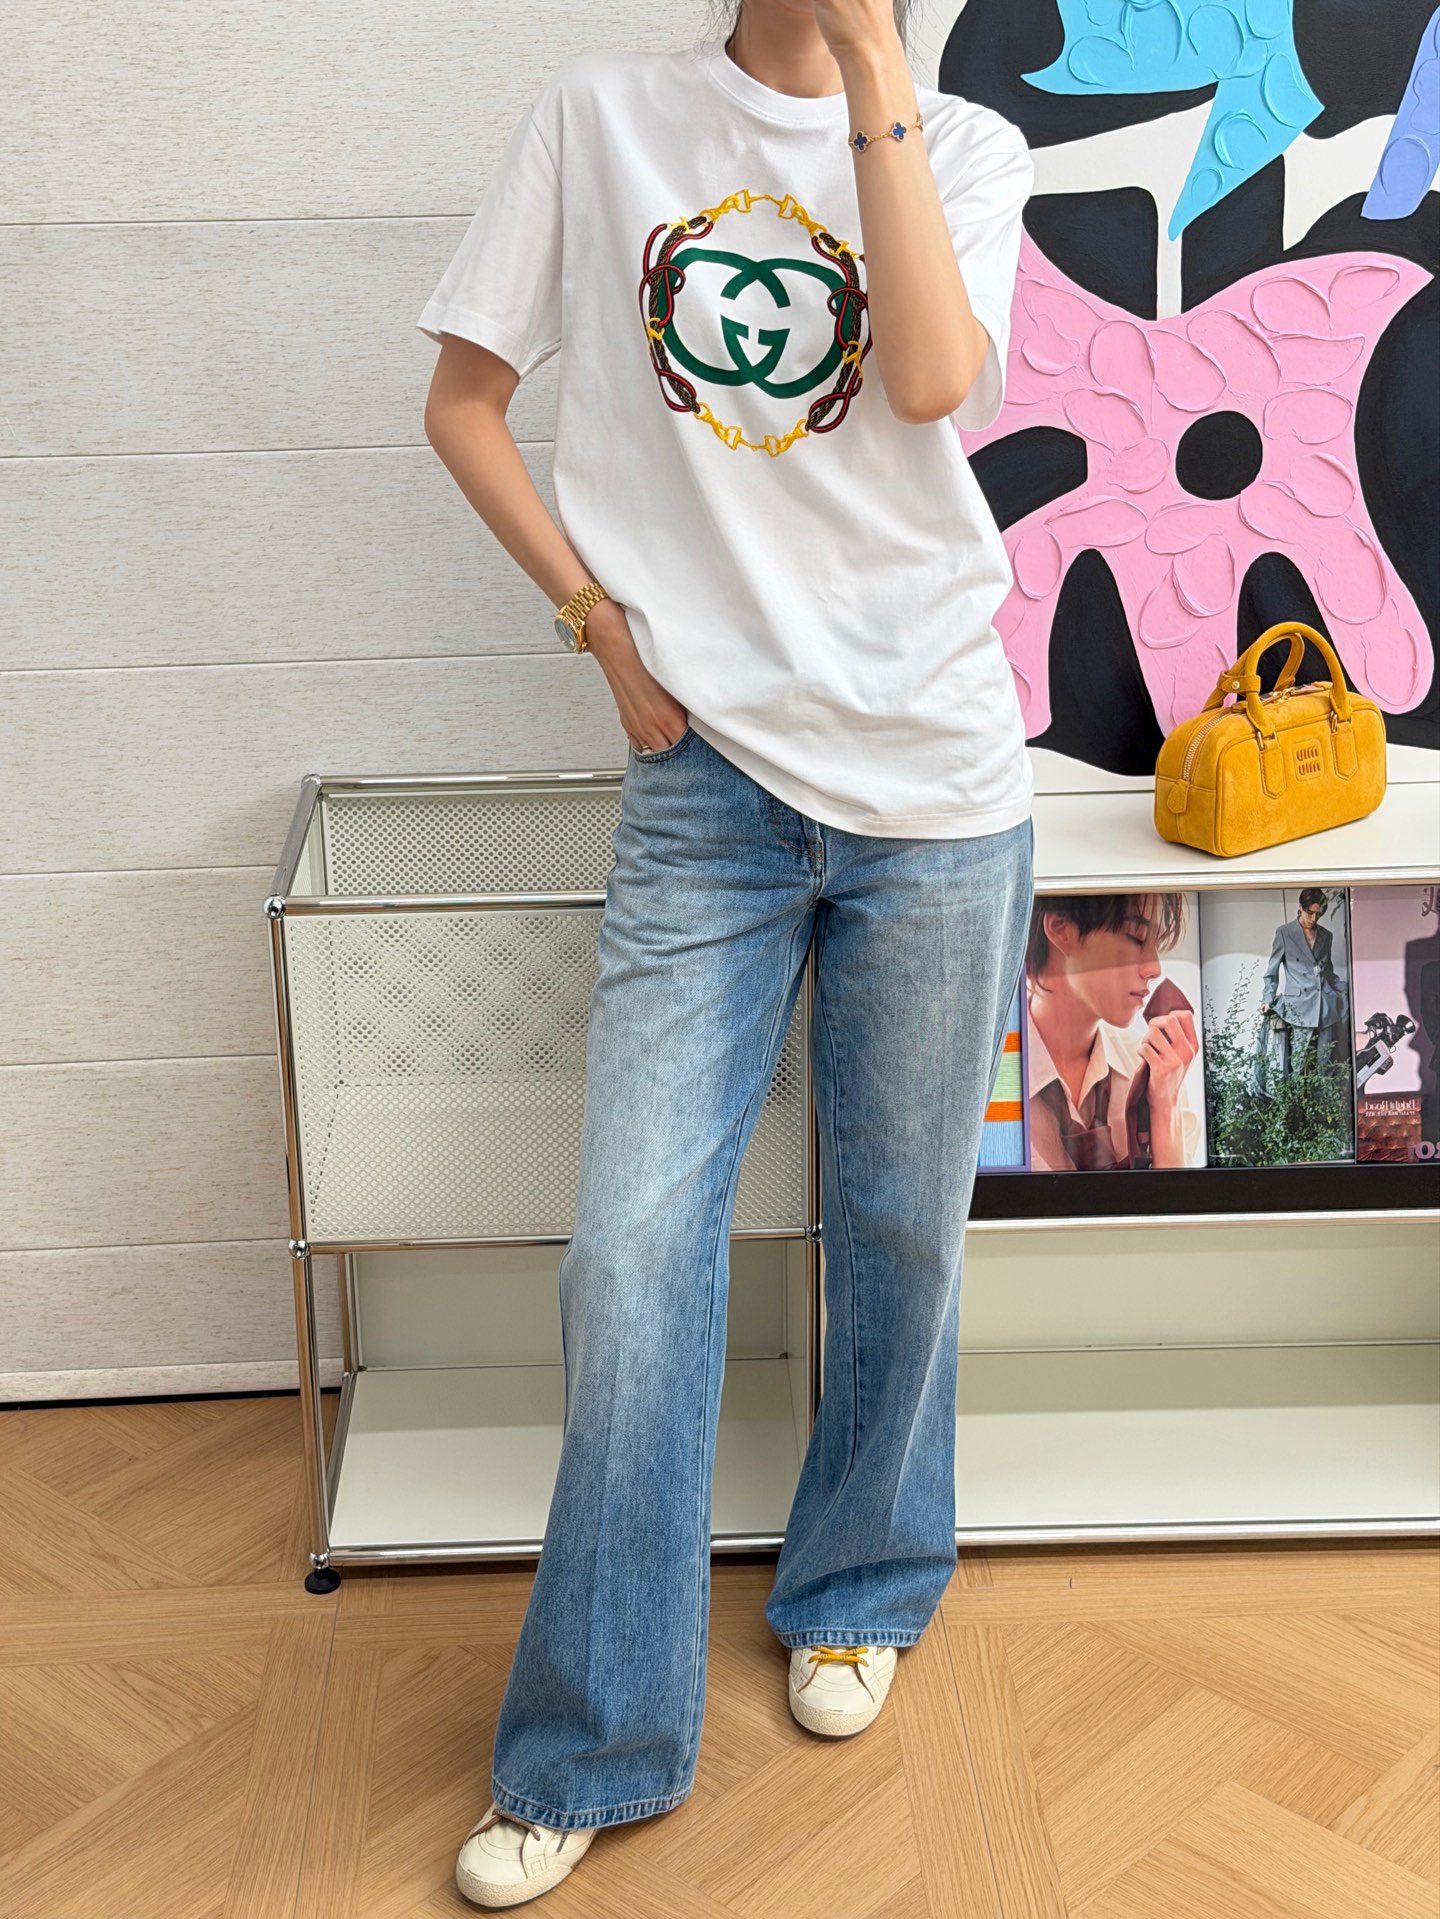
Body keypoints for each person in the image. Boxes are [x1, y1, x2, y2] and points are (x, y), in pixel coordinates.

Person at [419, 2, 1036, 1904]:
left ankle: (861, 1580)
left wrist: (877, 84)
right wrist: (597, 626)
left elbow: (927, 379)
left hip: (938, 782)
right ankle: (595, 1735)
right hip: (708, 787)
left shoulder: (969, 146)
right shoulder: (604, 119)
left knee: (904, 1224)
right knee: (632, 1250)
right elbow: (461, 400)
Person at [1024, 894, 1204, 1172]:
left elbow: (1177, 1199)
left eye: (1156, 945)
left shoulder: (1155, 1068)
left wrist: (1165, 1107)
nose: (1154, 968)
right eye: (1135, 937)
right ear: (1061, 929)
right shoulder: (990, 1075)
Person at [1256, 888, 1351, 1080]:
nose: (1314, 919)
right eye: (1310, 912)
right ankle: (1297, 1098)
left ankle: (1324, 1098)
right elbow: (1272, 972)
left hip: (1325, 1007)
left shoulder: (1326, 935)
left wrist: (1345, 993)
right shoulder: (1284, 933)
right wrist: (1267, 999)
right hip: (1300, 1007)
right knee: (1298, 1063)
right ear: (1300, 907)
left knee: (1326, 1064)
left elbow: (1329, 972)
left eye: (1318, 914)